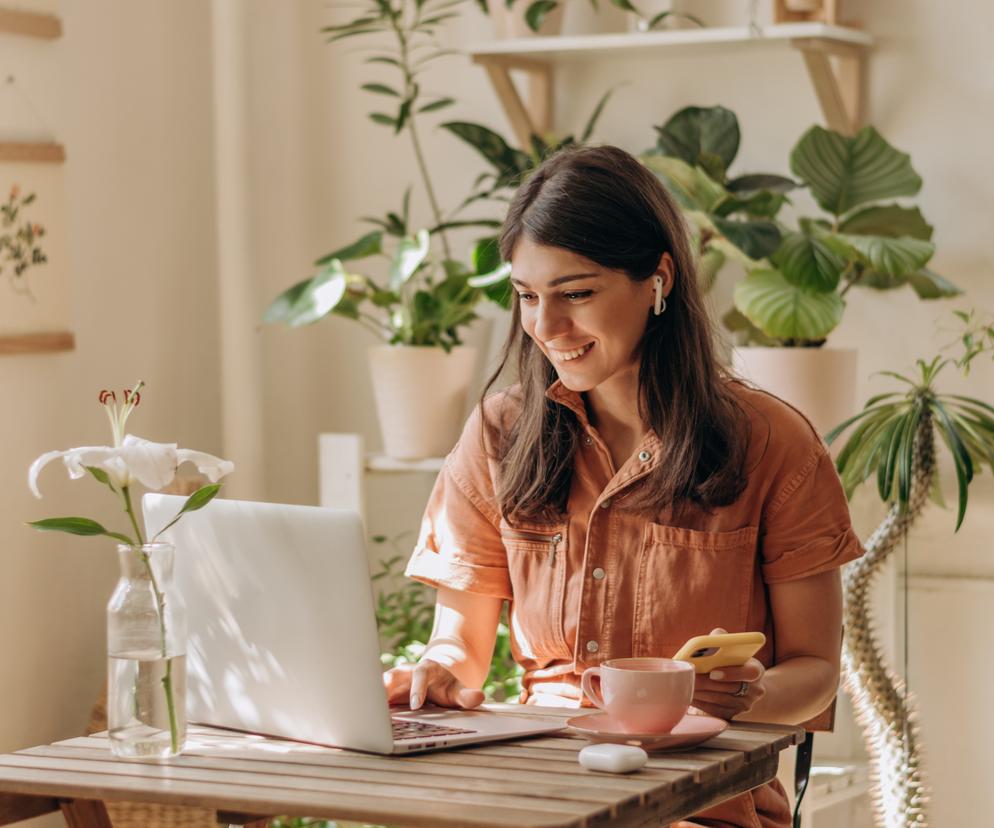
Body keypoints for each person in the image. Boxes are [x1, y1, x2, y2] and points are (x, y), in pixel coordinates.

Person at [383, 144, 864, 827]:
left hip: (701, 803)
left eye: (576, 293)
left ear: (657, 279)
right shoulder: (500, 432)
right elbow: (459, 648)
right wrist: (435, 673)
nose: (546, 327)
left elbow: (815, 668)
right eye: (527, 296)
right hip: (533, 793)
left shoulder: (772, 441)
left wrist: (744, 696)